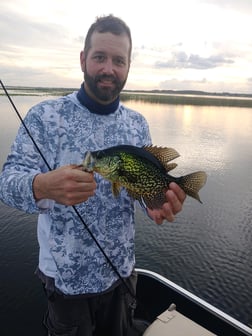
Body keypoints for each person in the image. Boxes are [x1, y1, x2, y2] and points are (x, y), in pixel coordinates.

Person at [0, 15, 186, 336]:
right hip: (66, 282)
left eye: (119, 61)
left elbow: (136, 187)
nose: (108, 69)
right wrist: (41, 185)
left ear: (128, 67)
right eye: (100, 57)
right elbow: (6, 184)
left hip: (121, 274)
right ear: (84, 59)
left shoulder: (137, 124)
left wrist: (153, 204)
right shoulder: (45, 117)